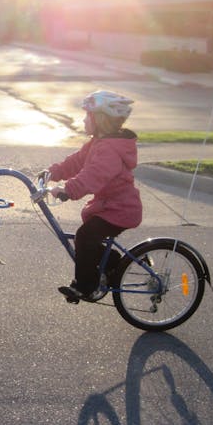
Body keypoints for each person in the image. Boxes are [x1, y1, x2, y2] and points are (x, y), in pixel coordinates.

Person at [43, 90, 142, 303]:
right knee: (89, 238)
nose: (84, 119)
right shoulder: (99, 142)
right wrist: (54, 172)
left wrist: (68, 190)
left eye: (88, 115)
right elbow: (78, 161)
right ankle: (114, 262)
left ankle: (85, 287)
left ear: (100, 119)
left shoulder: (109, 149)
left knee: (85, 237)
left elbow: (93, 176)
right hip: (109, 206)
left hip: (120, 210)